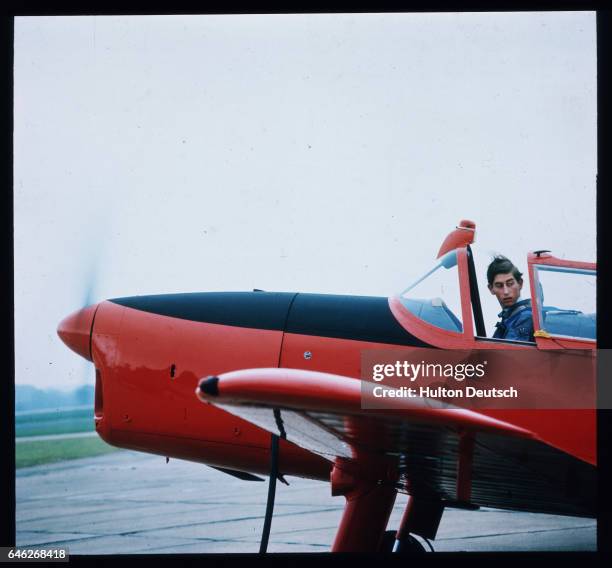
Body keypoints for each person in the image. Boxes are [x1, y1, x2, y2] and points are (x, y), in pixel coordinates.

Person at [487, 255, 534, 342]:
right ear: (491, 289)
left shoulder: (525, 317)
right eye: (499, 285)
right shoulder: (509, 317)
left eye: (510, 284)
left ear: (520, 284)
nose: (506, 292)